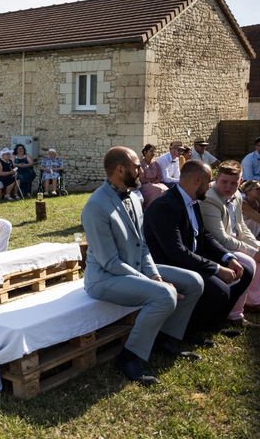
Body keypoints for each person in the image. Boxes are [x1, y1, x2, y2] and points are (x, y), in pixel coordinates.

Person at [82, 147, 204, 386]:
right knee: (164, 295)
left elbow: (144, 246)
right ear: (120, 169)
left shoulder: (134, 198)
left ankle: (165, 339)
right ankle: (129, 356)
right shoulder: (96, 206)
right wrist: (154, 284)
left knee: (194, 282)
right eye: (136, 165)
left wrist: (155, 276)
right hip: (104, 279)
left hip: (133, 268)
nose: (141, 170)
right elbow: (110, 262)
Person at [144, 161, 254, 339]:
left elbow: (204, 236)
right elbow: (176, 252)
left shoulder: (192, 199)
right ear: (197, 180)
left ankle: (212, 323)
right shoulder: (165, 206)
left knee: (245, 270)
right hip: (171, 263)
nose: (210, 185)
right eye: (209, 180)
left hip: (191, 257)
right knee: (220, 290)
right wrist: (217, 269)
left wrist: (228, 258)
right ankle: (189, 332)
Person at [200, 160, 260, 319]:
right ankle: (234, 314)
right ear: (216, 179)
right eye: (224, 182)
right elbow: (220, 238)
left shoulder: (237, 195)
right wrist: (254, 252)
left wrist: (256, 246)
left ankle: (253, 300)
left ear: (240, 181)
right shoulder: (209, 199)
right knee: (249, 261)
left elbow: (240, 226)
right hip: (216, 247)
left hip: (233, 241)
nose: (228, 187)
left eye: (234, 183)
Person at [138, 144, 168, 209]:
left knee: (166, 189)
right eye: (151, 151)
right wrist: (150, 182)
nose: (153, 153)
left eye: (154, 151)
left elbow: (160, 175)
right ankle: (151, 207)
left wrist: (155, 181)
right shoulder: (141, 164)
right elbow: (141, 178)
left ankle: (162, 207)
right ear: (145, 152)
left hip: (156, 183)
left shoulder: (155, 163)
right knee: (158, 189)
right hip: (145, 185)